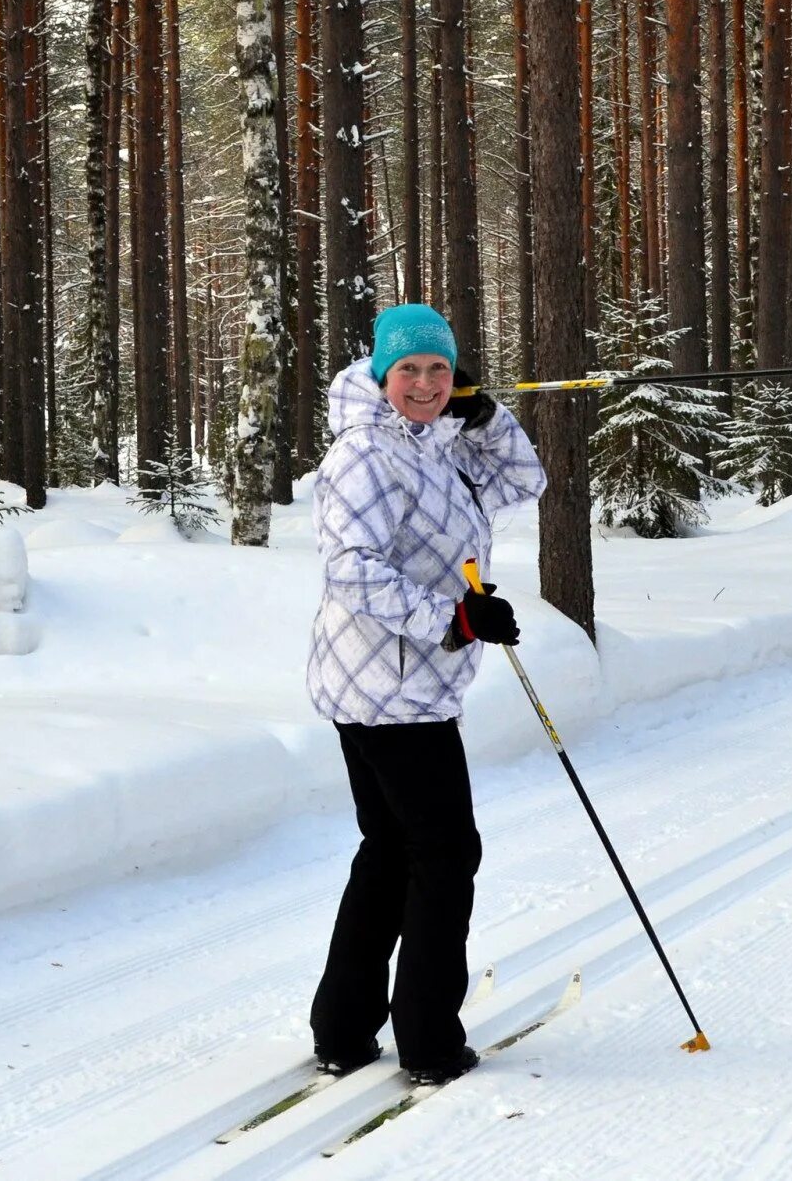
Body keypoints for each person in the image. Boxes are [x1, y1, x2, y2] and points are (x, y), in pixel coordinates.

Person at [306, 303, 546, 1087]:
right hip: (390, 689)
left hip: (401, 683)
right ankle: (429, 1043)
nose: (425, 383)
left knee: (392, 851)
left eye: (440, 370)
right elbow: (350, 567)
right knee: (445, 855)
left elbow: (523, 480)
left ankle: (343, 1028)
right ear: (380, 374)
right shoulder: (366, 455)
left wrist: (484, 414)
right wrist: (453, 616)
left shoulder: (437, 443)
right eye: (408, 369)